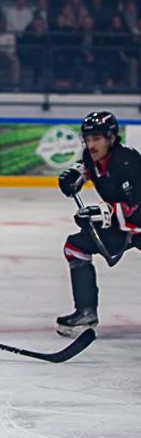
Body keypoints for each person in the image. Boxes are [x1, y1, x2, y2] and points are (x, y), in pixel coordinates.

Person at [56, 111, 141, 336]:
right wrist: (76, 175)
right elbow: (85, 167)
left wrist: (102, 213)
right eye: (88, 139)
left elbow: (137, 209)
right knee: (75, 247)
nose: (91, 145)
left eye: (97, 139)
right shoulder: (91, 157)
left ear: (112, 138)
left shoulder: (129, 161)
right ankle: (86, 312)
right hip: (123, 225)